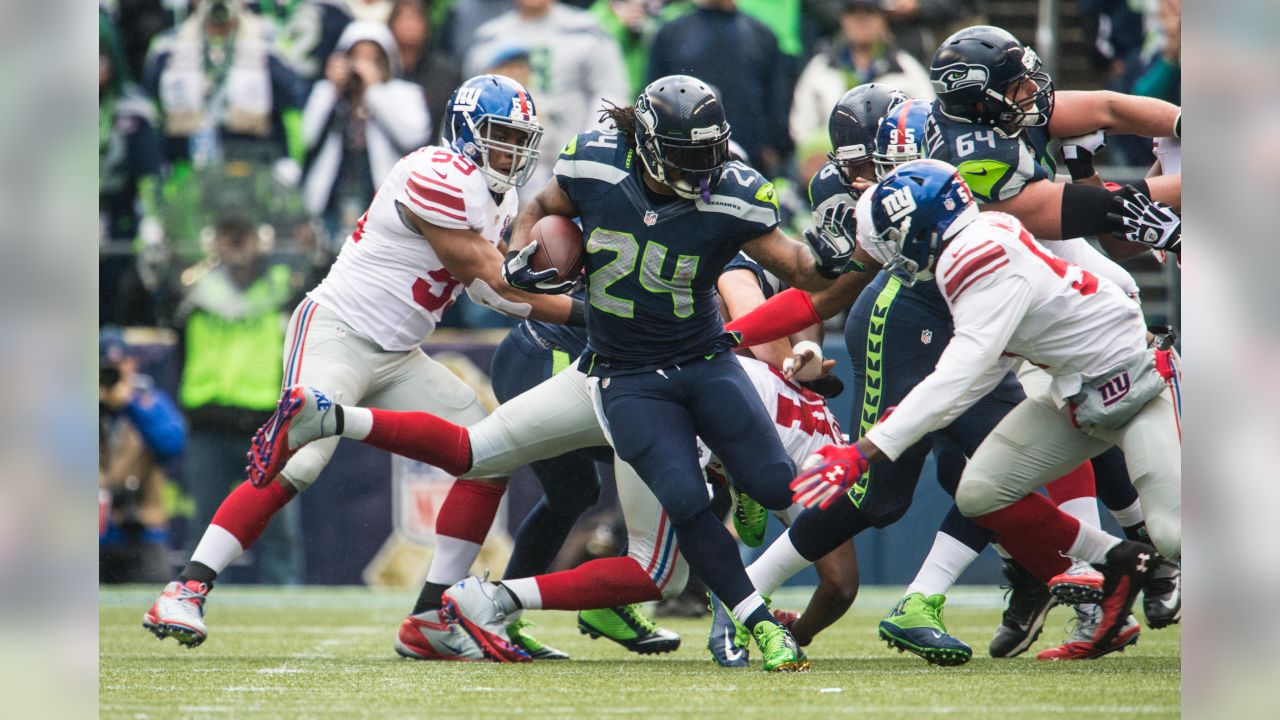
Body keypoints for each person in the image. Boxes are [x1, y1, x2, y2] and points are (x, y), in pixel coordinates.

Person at [251, 75, 863, 671]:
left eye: (708, 156)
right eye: (685, 156)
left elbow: (801, 276)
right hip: (611, 373)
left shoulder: (730, 194)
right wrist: (522, 255)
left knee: (743, 492)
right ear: (647, 145)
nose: (700, 172)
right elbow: (542, 209)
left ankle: (493, 591)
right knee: (532, 477)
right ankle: (336, 426)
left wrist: (846, 255)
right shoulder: (595, 161)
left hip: (688, 366)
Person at [142, 74, 574, 648]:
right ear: (466, 130)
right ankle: (186, 588)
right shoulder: (436, 174)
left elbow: (496, 285)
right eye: (499, 135)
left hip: (398, 353)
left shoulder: (502, 196)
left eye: (520, 139)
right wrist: (588, 312)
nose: (511, 151)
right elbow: (490, 283)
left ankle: (429, 620)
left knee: (489, 450)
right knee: (302, 457)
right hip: (338, 331)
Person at [792, 157, 1180, 661]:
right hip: (1076, 397)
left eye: (891, 236)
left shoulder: (979, 258)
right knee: (980, 492)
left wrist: (865, 451)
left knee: (1173, 533)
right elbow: (984, 366)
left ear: (923, 230)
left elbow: (959, 376)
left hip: (1139, 384)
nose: (886, 251)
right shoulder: (974, 238)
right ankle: (1121, 561)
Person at [174, 216, 308, 586]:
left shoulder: (283, 286)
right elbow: (141, 297)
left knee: (280, 529)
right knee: (204, 527)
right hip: (208, 424)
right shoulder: (192, 285)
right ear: (212, 241)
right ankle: (194, 595)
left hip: (266, 426)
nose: (236, 243)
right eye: (226, 235)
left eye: (243, 234)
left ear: (260, 239)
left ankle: (286, 605)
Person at [464, 0, 630, 191]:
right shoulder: (489, 38)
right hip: (501, 165)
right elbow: (468, 104)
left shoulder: (586, 30)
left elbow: (612, 94)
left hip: (570, 166)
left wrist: (589, 152)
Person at [301, 21, 432, 244]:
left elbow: (414, 135)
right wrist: (333, 89)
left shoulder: (404, 93)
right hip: (333, 197)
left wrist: (373, 91)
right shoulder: (328, 92)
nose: (361, 65)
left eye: (371, 57)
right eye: (356, 57)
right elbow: (306, 137)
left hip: (381, 200)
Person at [143, 0, 305, 173]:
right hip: (185, 168)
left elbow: (292, 113)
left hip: (252, 167)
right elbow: (151, 115)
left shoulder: (270, 46)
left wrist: (292, 161)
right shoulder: (167, 47)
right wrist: (154, 166)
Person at [647, 0, 792, 177]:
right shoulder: (671, 33)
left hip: (749, 158)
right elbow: (653, 96)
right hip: (683, 156)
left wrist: (774, 146)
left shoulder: (762, 34)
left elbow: (777, 99)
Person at [99, 329, 187, 584]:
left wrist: (130, 406)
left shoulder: (148, 401)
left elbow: (172, 444)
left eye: (117, 365)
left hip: (143, 532)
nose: (112, 374)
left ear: (132, 364)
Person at [100, 10, 166, 327]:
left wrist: (152, 218)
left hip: (120, 219)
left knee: (121, 292)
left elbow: (150, 173)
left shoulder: (134, 110)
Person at [789, 0, 934, 145]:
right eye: (854, 14)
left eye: (869, 14)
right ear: (843, 20)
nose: (861, 22)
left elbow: (926, 117)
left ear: (882, 20)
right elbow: (801, 127)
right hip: (833, 157)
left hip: (893, 157)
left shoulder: (906, 68)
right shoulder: (820, 68)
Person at [387, 0, 462, 131]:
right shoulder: (383, 70)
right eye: (403, 18)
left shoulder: (447, 73)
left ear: (426, 25)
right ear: (391, 25)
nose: (409, 25)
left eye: (415, 18)